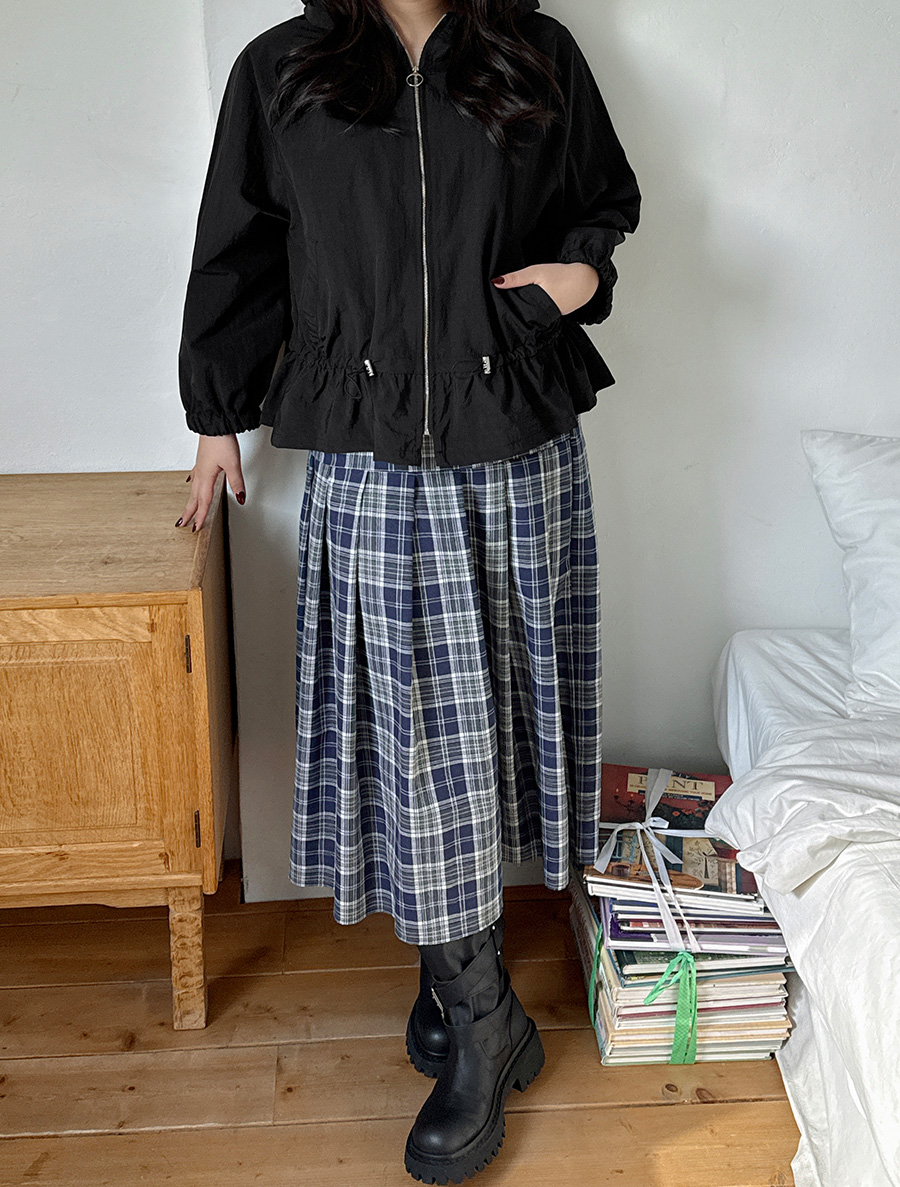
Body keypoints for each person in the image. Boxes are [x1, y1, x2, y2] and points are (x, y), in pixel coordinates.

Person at [176, 1, 640, 1181]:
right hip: (374, 458)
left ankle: (463, 992)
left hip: (517, 442)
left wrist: (579, 278)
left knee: (494, 738)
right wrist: (216, 411)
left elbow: (602, 198)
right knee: (416, 748)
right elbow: (240, 240)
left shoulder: (536, 49)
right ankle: (483, 1015)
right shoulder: (283, 69)